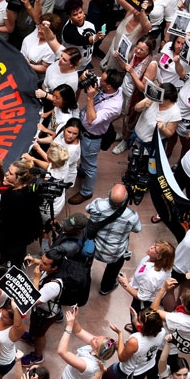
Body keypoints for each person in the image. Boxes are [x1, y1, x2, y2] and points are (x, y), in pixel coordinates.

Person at [68, 70, 125, 204]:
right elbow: (95, 79)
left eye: (103, 81)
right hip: (84, 130)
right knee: (84, 158)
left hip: (91, 137)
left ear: (109, 86)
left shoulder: (114, 106)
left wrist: (90, 98)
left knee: (90, 165)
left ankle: (86, 192)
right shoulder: (112, 87)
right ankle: (82, 169)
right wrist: (84, 76)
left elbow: (91, 120)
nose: (100, 81)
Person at [88, 184, 142, 295]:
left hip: (93, 247)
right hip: (115, 253)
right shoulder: (131, 216)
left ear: (109, 194)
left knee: (85, 262)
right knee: (114, 268)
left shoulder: (97, 204)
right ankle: (105, 288)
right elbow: (137, 229)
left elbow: (88, 209)